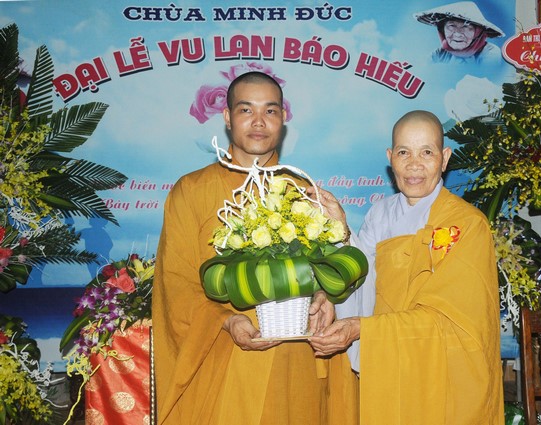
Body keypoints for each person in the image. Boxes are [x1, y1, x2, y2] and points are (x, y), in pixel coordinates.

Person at [152, 71, 358, 425]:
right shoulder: (192, 190)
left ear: (283, 118)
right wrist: (226, 320)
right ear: (227, 117)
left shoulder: (301, 190)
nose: (259, 122)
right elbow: (176, 283)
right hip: (225, 360)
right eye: (246, 110)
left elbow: (334, 271)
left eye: (270, 111)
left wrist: (324, 295)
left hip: (295, 362)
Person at [309, 110, 505, 424]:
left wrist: (363, 329)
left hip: (442, 376)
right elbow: (360, 276)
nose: (414, 164)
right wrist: (340, 232)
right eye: (404, 153)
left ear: (444, 158)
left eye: (426, 152)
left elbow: (454, 321)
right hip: (388, 363)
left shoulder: (467, 224)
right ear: (390, 159)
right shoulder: (380, 214)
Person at [414, 1, 505, 65]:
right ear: (442, 30)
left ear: (477, 32)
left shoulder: (490, 53)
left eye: (466, 27)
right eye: (451, 26)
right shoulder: (440, 53)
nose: (457, 34)